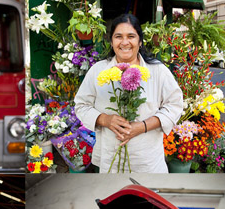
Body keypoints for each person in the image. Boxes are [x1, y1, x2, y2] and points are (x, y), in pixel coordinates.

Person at [74, 13, 185, 173]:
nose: (124, 42)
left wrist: (142, 126)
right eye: (118, 36)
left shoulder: (157, 71)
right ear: (111, 41)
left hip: (147, 162)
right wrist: (105, 119)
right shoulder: (98, 70)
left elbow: (175, 105)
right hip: (111, 160)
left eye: (131, 36)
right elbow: (81, 105)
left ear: (140, 41)